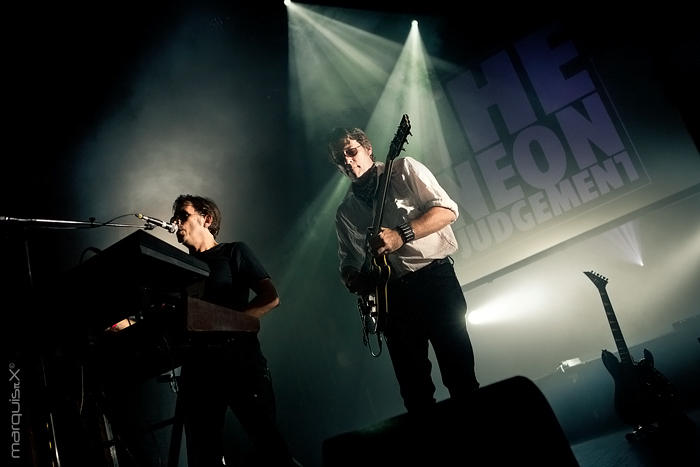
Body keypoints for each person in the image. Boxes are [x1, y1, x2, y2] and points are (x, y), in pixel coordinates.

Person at [328, 126, 480, 415]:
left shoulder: (404, 169)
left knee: (459, 375)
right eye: (340, 158)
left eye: (351, 152)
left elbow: (447, 210)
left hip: (433, 280)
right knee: (415, 391)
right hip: (392, 297)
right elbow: (346, 259)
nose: (347, 161)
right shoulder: (345, 212)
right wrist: (352, 278)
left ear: (367, 148)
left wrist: (402, 234)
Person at [170, 194, 300, 467]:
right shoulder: (177, 269)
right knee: (203, 454)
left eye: (182, 215)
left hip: (240, 361)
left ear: (207, 218)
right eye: (175, 216)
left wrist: (231, 322)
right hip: (198, 369)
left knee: (268, 445)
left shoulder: (233, 252)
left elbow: (270, 297)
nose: (175, 221)